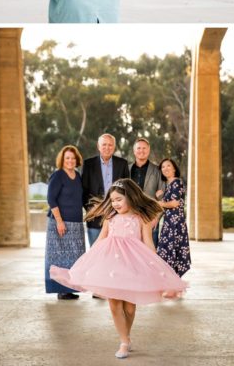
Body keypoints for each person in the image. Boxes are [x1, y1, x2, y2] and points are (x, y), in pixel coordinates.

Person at [50, 178, 186, 361]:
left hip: (132, 266)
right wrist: (87, 260)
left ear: (130, 197)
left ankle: (126, 336)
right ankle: (124, 341)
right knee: (114, 305)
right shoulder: (110, 217)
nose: (115, 203)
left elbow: (148, 244)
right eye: (112, 200)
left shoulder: (142, 218)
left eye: (119, 199)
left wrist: (159, 270)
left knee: (129, 308)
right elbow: (101, 239)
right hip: (111, 266)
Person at [45, 145, 86, 299]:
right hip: (60, 222)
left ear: (77, 160)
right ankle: (60, 290)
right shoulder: (58, 175)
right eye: (67, 158)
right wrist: (59, 221)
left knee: (74, 256)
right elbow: (51, 199)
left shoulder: (77, 175)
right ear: (62, 160)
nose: (70, 161)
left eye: (73, 158)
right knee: (59, 256)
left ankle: (69, 288)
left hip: (76, 223)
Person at [82, 133, 130, 247]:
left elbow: (127, 190)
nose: (107, 148)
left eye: (110, 145)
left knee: (115, 252)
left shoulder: (122, 164)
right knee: (95, 251)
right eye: (104, 145)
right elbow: (84, 190)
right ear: (98, 146)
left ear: (114, 147)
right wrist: (92, 209)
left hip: (117, 215)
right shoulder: (88, 164)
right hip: (95, 216)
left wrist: (122, 209)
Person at [155, 158, 191, 277]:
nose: (165, 169)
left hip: (175, 224)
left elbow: (174, 203)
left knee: (170, 252)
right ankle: (172, 282)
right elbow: (168, 204)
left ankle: (172, 282)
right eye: (163, 167)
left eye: (168, 166)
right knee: (167, 252)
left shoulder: (177, 183)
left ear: (174, 168)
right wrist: (161, 196)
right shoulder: (169, 185)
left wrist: (160, 202)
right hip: (169, 223)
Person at [130, 139, 163, 248]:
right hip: (130, 217)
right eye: (138, 148)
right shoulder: (127, 169)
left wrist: (156, 218)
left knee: (150, 254)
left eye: (144, 148)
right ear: (134, 151)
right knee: (131, 252)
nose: (141, 151)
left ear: (148, 150)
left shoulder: (157, 170)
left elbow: (163, 197)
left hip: (150, 218)